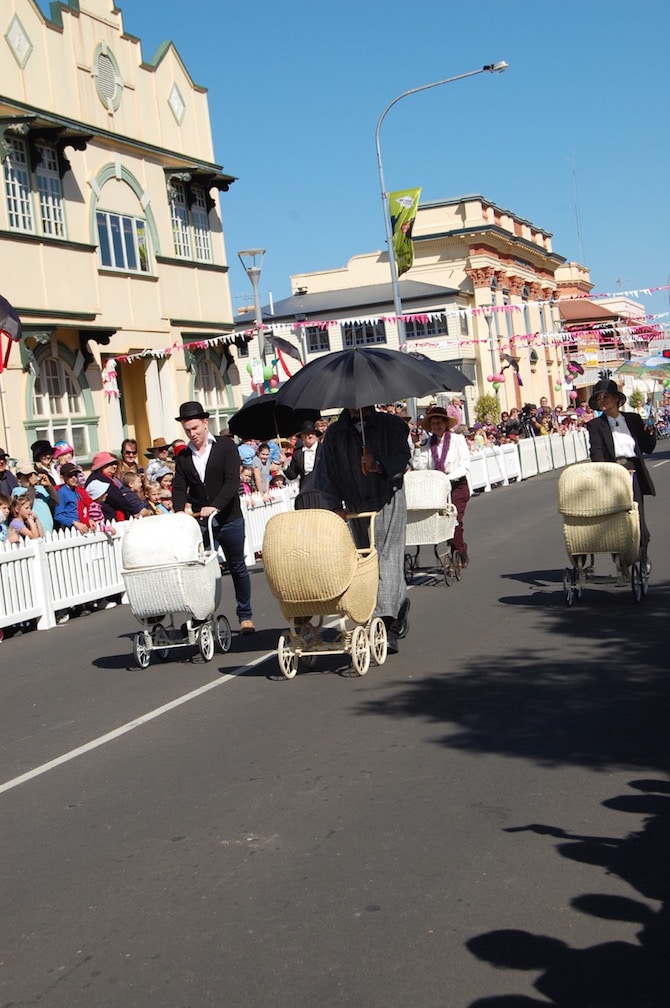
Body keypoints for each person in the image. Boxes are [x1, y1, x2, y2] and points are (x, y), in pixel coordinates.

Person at [312, 406, 410, 654]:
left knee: (387, 558)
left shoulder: (393, 425)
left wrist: (378, 464)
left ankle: (387, 623)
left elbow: (402, 458)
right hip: (355, 503)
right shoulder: (334, 434)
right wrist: (334, 505)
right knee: (365, 559)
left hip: (387, 497)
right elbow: (324, 474)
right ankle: (392, 608)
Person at [172, 400, 255, 635]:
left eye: (196, 428)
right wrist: (179, 511)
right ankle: (201, 616)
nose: (192, 433)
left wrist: (215, 506)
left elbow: (232, 481)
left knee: (237, 566)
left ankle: (245, 615)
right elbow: (179, 488)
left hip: (229, 517)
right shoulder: (184, 456)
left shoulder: (226, 448)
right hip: (202, 522)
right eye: (188, 430)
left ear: (205, 423)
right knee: (201, 569)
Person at [586, 378, 656, 565]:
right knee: (617, 520)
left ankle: (641, 556)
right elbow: (597, 452)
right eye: (599, 397)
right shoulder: (595, 425)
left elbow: (648, 448)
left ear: (617, 398)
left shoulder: (632, 420)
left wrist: (650, 431)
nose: (603, 399)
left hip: (633, 472)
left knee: (638, 519)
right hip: (611, 474)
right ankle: (622, 556)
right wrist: (604, 475)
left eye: (606, 395)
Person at [411, 405, 472, 568]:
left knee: (454, 520)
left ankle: (457, 551)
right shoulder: (427, 444)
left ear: (446, 423)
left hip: (457, 486)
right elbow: (419, 467)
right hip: (437, 490)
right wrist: (417, 448)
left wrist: (447, 478)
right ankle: (458, 547)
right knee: (442, 521)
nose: (436, 426)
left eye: (439, 422)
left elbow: (465, 465)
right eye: (433, 423)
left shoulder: (458, 440)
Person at [85, 451, 150, 521]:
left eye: (115, 464)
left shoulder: (105, 477)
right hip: (108, 519)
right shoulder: (101, 479)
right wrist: (133, 510)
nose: (114, 466)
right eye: (110, 464)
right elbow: (117, 499)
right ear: (101, 466)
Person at [281, 420, 325, 509]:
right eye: (307, 433)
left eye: (312, 433)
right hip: (306, 491)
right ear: (302, 436)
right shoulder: (298, 453)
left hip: (322, 491)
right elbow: (292, 476)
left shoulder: (324, 449)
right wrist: (284, 465)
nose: (310, 435)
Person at [54, 463, 96, 533]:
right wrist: (75, 523)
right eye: (70, 475)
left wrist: (89, 519)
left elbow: (83, 509)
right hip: (71, 530)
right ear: (63, 477)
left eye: (75, 475)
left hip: (83, 527)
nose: (74, 478)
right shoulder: (62, 493)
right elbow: (58, 516)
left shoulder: (77, 491)